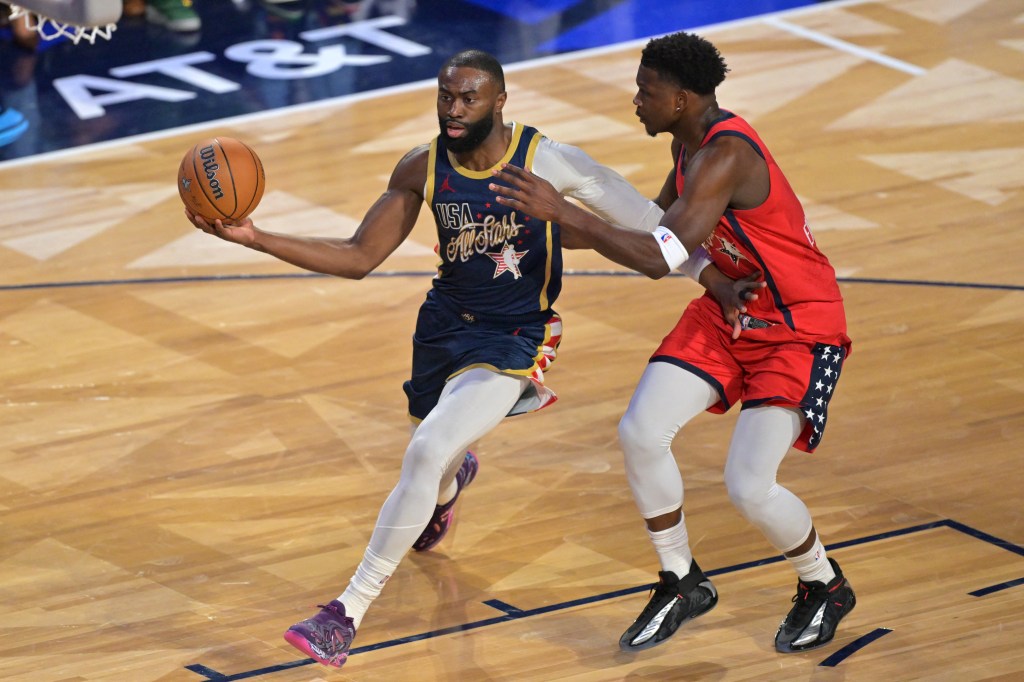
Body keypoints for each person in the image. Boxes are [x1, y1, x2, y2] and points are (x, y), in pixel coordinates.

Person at [186, 49, 753, 670]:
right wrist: (256, 237)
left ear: (499, 102)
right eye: (445, 97)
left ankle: (344, 614)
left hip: (514, 336)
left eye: (468, 99)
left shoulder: (547, 160)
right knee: (435, 462)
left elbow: (650, 226)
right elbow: (357, 257)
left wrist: (716, 282)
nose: (453, 110)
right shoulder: (422, 166)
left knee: (427, 449)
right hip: (442, 330)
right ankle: (451, 487)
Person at [491, 31, 855, 655]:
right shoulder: (688, 150)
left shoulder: (725, 155)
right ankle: (681, 579)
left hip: (799, 327)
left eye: (646, 91)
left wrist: (566, 212)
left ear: (682, 98)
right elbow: (650, 230)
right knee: (640, 431)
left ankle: (825, 584)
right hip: (732, 307)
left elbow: (660, 258)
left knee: (749, 486)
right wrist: (538, 227)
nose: (636, 101)